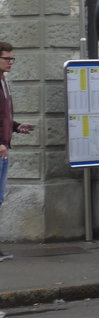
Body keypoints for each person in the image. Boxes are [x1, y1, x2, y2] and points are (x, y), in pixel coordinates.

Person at [0, 41, 34, 262]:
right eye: (6, 59)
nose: (11, 62)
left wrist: (16, 126)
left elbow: (3, 117)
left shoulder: (4, 82)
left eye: (12, 59)